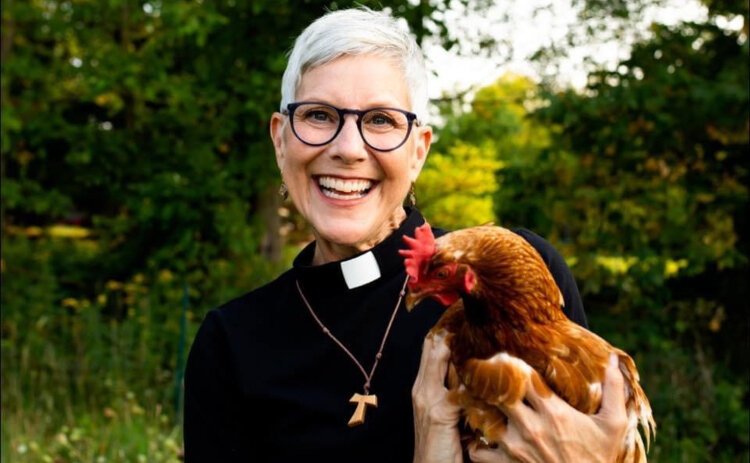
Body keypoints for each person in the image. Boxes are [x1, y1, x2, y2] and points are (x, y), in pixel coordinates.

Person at [183, 7, 628, 462]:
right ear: (281, 141)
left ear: (419, 150)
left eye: (380, 120)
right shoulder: (233, 341)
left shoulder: (509, 276)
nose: (347, 149)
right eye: (318, 115)